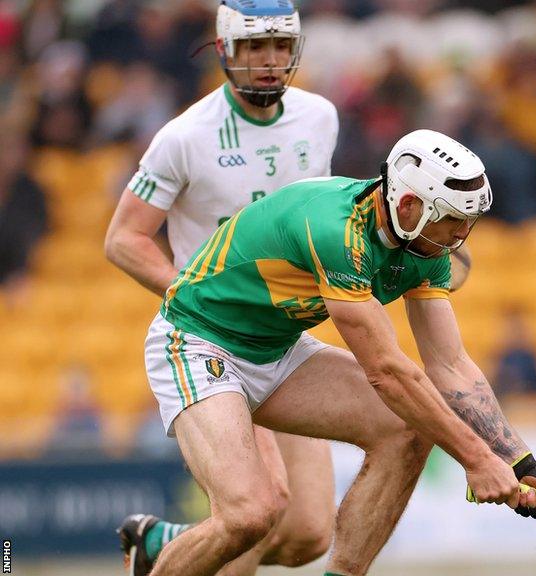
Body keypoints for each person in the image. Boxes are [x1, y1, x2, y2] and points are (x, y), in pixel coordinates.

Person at [129, 128, 536, 576]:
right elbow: (387, 372)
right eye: (453, 220)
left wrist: (518, 459)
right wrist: (476, 460)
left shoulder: (427, 246)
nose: (461, 235)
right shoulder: (335, 229)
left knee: (408, 430)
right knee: (250, 515)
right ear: (409, 205)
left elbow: (450, 363)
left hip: (277, 348)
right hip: (198, 341)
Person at [104, 2, 341, 573]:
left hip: (286, 342)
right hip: (217, 344)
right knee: (256, 515)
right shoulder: (184, 136)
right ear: (224, 50)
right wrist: (193, 292)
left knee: (309, 534)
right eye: (255, 47)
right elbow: (124, 239)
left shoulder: (320, 117)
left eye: (281, 46)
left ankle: (167, 546)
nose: (269, 61)